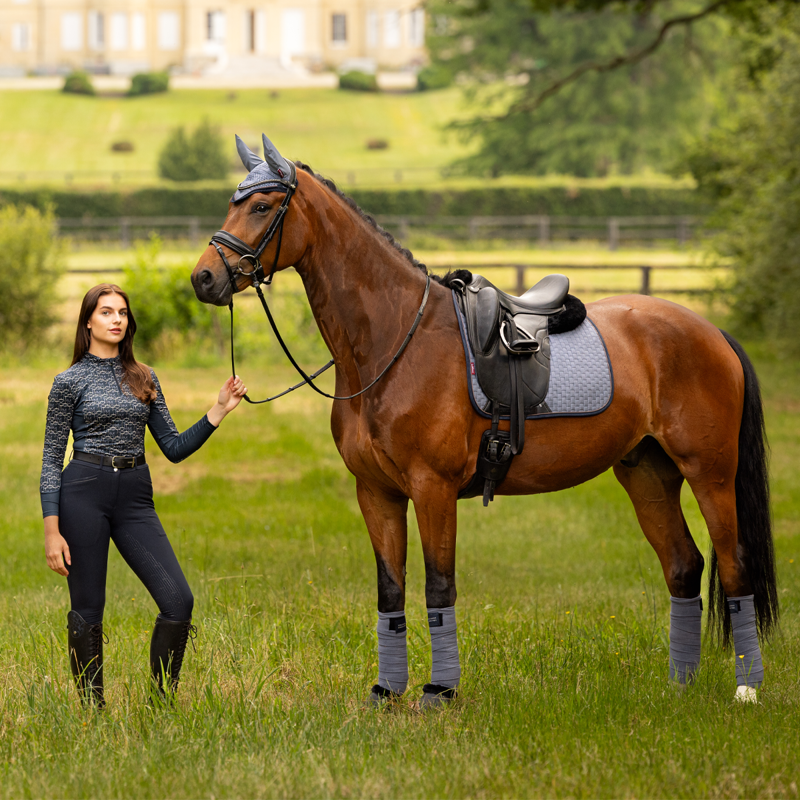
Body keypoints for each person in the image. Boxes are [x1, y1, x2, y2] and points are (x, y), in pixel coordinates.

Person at [40, 283, 247, 707]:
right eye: (106, 312)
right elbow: (50, 461)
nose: (117, 319)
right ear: (87, 322)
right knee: (88, 609)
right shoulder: (68, 382)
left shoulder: (144, 376)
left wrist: (219, 410)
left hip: (136, 497)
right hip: (83, 494)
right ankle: (92, 712)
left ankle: (161, 702)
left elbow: (172, 447)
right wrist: (51, 530)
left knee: (178, 599)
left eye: (123, 312)